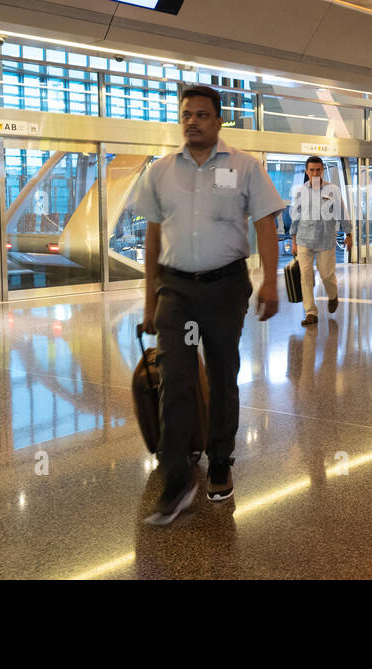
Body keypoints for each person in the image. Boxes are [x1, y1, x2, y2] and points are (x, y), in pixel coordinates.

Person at [133, 85, 284, 525]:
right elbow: (153, 238)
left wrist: (270, 282)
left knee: (221, 375)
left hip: (224, 287)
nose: (193, 121)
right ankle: (176, 474)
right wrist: (149, 302)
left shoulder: (244, 168)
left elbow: (265, 224)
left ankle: (219, 459)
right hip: (176, 291)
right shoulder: (160, 172)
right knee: (175, 378)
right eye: (186, 115)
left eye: (202, 115)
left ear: (219, 121)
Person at [290, 156, 353, 325]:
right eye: (311, 170)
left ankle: (333, 296)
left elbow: (342, 212)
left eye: (318, 170)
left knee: (326, 274)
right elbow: (295, 217)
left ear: (322, 170)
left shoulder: (332, 190)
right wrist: (294, 240)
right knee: (306, 277)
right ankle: (311, 312)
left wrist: (348, 234)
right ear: (306, 171)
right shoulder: (300, 191)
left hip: (325, 240)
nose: (315, 173)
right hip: (304, 240)